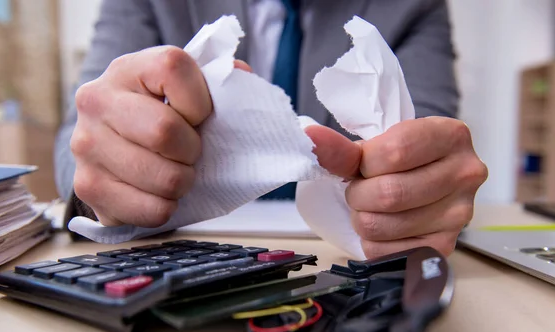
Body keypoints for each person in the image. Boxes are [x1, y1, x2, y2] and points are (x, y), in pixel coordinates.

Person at [54, 0, 488, 258]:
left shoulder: (412, 6)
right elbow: (84, 133)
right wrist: (105, 171)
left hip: (337, 268)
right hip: (171, 261)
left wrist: (422, 186)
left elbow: (428, 142)